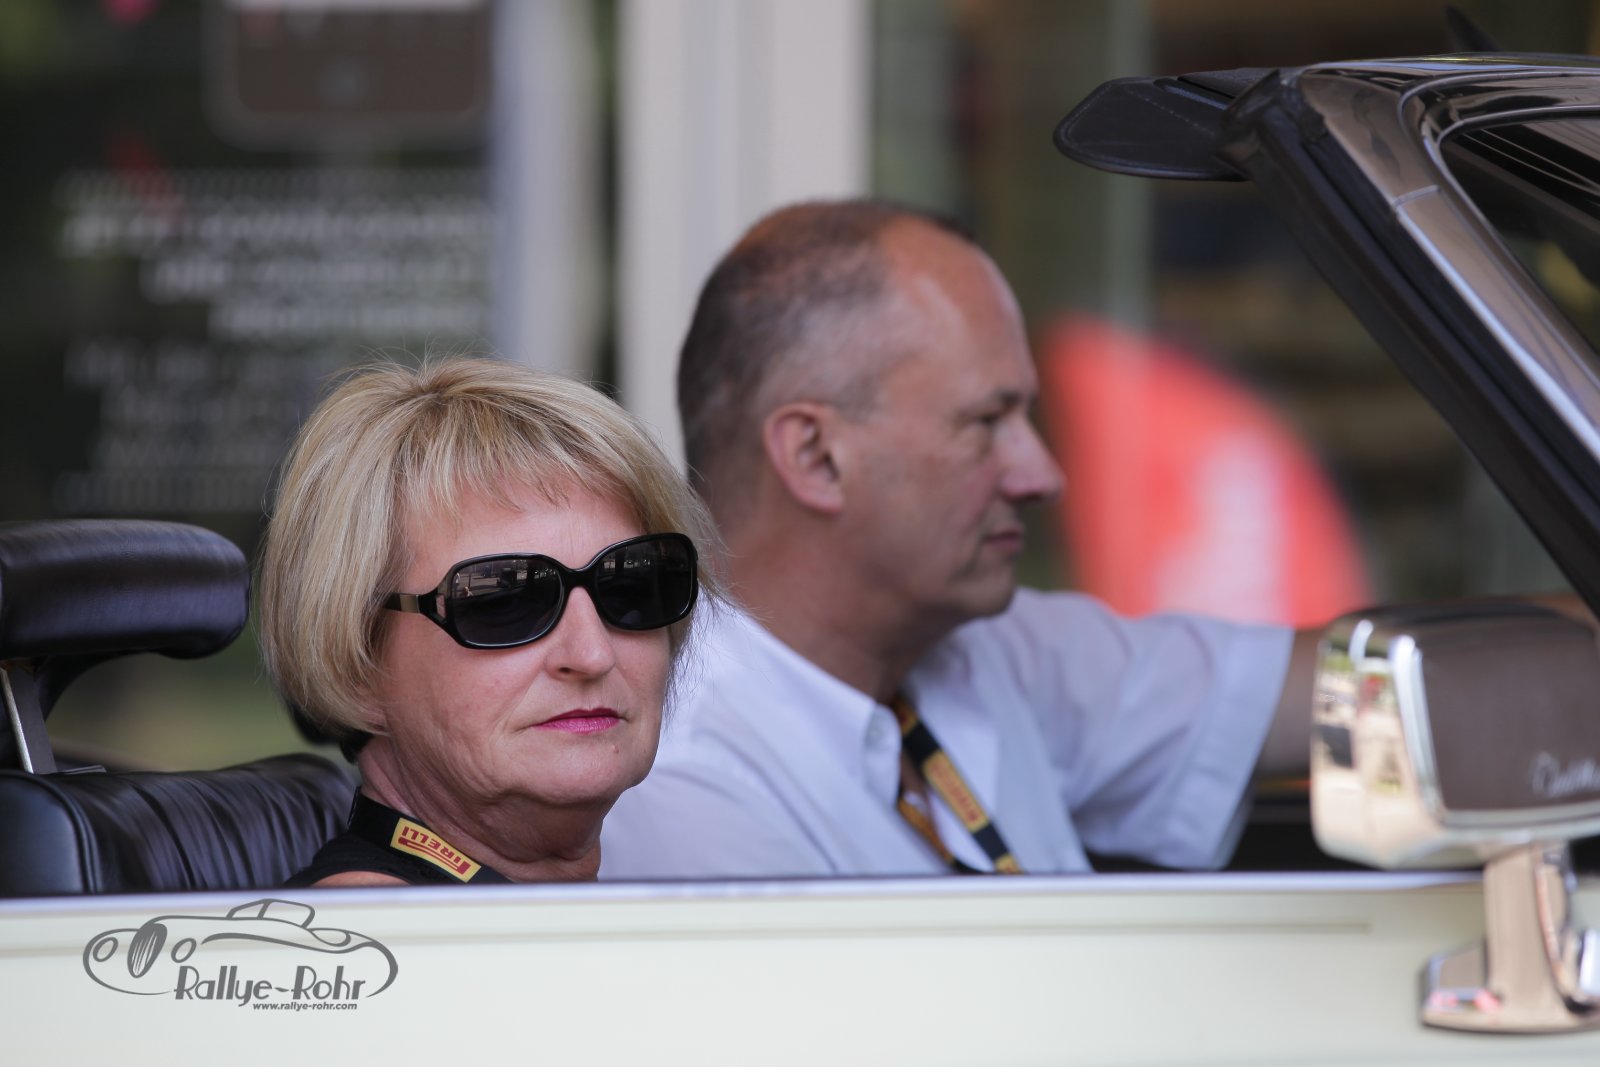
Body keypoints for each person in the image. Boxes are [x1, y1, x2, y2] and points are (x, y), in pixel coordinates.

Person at [600, 198, 1321, 879]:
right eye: (986, 422)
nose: (1042, 476)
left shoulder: (981, 649)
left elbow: (1321, 696)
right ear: (817, 457)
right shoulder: (670, 779)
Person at [259, 357, 714, 886]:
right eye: (504, 600)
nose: (592, 654)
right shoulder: (371, 931)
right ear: (357, 663)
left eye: (631, 586)